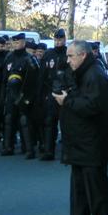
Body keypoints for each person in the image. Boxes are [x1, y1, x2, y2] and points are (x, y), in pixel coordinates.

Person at [51, 40, 108, 215]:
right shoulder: (78, 72)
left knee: (97, 195)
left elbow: (92, 106)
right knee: (78, 194)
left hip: (92, 145)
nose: (67, 60)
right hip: (78, 143)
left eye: (71, 56)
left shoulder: (95, 74)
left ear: (83, 55)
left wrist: (66, 101)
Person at [1, 33, 38, 157]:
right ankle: (8, 147)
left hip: (24, 94)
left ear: (23, 42)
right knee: (8, 119)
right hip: (11, 94)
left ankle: (28, 149)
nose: (15, 45)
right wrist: (3, 97)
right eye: (14, 42)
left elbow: (34, 81)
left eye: (18, 42)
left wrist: (29, 98)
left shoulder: (30, 58)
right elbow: (4, 78)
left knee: (24, 121)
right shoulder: (9, 57)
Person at [40, 29, 68, 160]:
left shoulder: (69, 53)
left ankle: (66, 153)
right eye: (56, 39)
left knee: (65, 124)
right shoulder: (48, 54)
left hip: (65, 92)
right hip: (50, 92)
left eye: (60, 39)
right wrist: (42, 94)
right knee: (49, 122)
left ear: (64, 39)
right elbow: (42, 75)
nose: (58, 42)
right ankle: (48, 151)